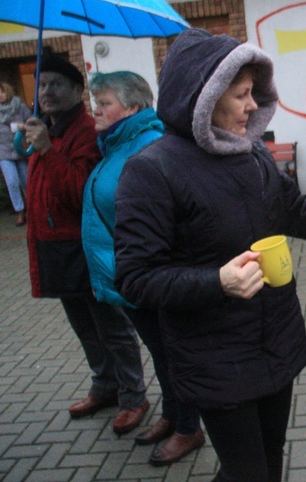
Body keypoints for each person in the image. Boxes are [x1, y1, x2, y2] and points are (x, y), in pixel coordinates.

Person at [113, 28, 306, 481]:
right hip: (215, 357)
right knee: (248, 473)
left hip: (276, 342)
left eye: (254, 93)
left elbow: (299, 214)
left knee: (268, 460)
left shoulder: (251, 153)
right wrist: (217, 281)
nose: (253, 105)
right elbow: (136, 278)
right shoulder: (151, 171)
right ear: (204, 97)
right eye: (240, 95)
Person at [81, 71, 205, 465]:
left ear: (132, 107)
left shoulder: (148, 147)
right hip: (129, 277)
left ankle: (190, 429)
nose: (95, 111)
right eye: (95, 102)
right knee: (159, 352)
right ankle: (172, 416)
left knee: (172, 356)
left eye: (105, 104)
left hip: (151, 277)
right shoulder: (118, 145)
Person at [21, 55, 148, 434]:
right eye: (42, 85)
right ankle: (104, 385)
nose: (46, 92)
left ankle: (132, 395)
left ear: (78, 91)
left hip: (85, 246)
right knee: (84, 327)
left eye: (56, 84)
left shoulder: (86, 132)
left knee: (110, 325)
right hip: (53, 246)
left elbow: (80, 192)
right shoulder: (46, 127)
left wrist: (47, 149)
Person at [0, 81, 32, 226]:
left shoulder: (20, 107)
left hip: (20, 150)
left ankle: (32, 209)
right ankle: (20, 211)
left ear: (7, 92)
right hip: (4, 153)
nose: (0, 95)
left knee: (26, 181)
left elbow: (33, 123)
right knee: (12, 182)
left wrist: (23, 127)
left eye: (2, 92)